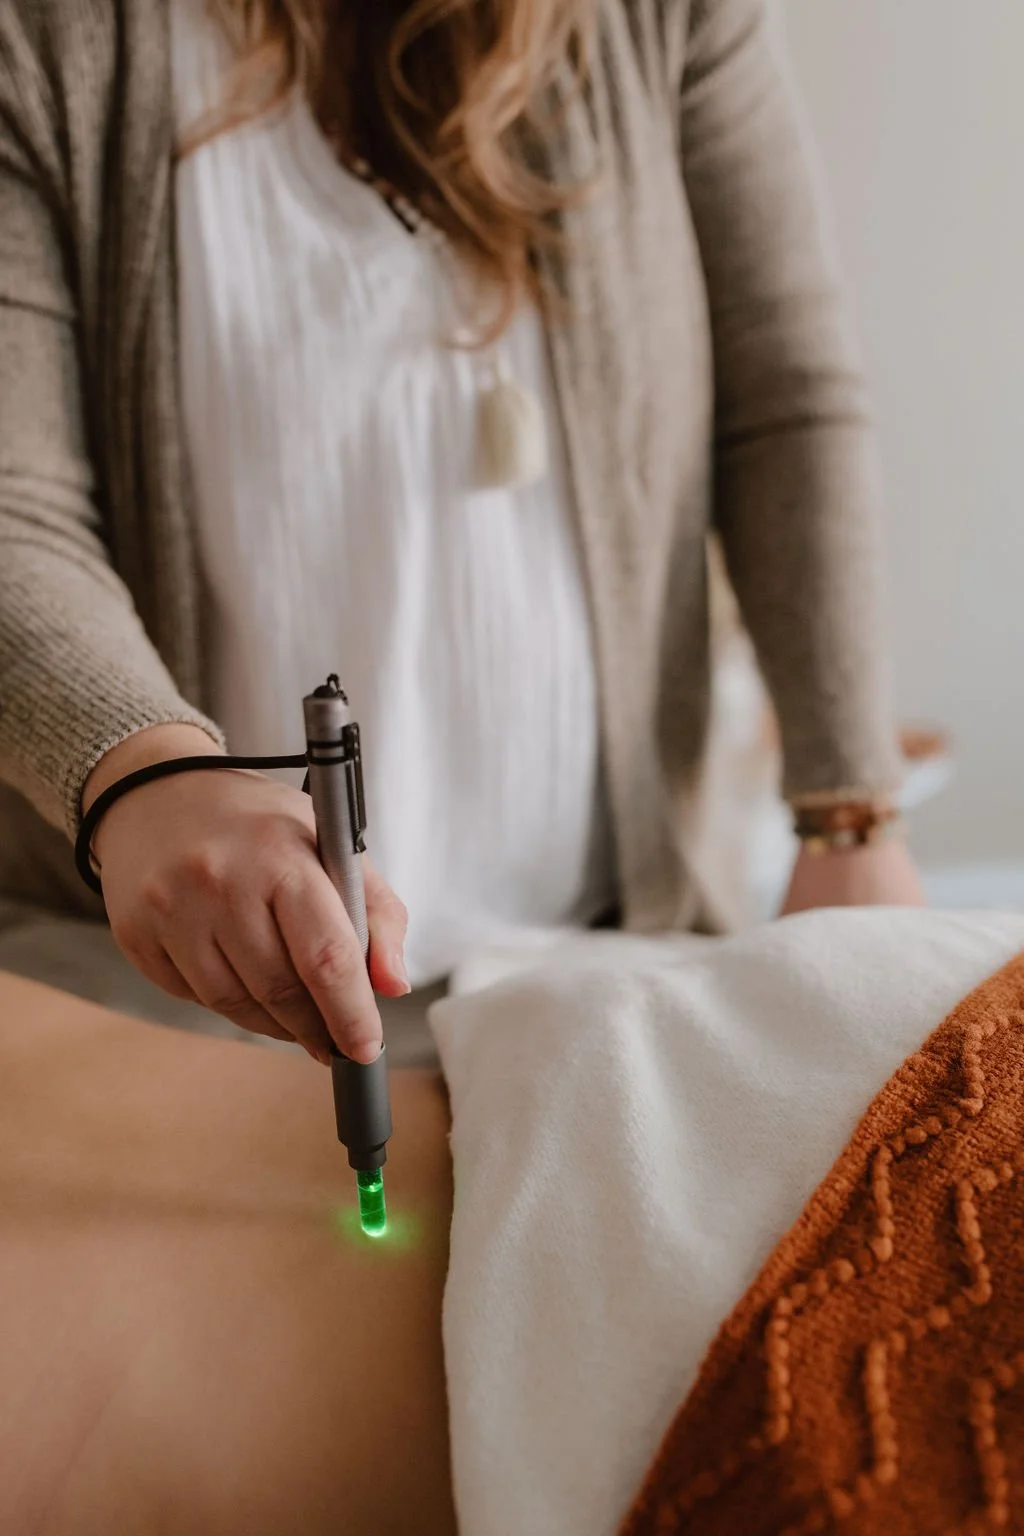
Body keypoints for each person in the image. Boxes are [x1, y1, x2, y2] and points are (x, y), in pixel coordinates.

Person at [0, 0, 925, 1069]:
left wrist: (848, 815)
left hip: (612, 961)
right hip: (143, 998)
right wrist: (142, 776)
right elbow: (18, 506)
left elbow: (783, 402)